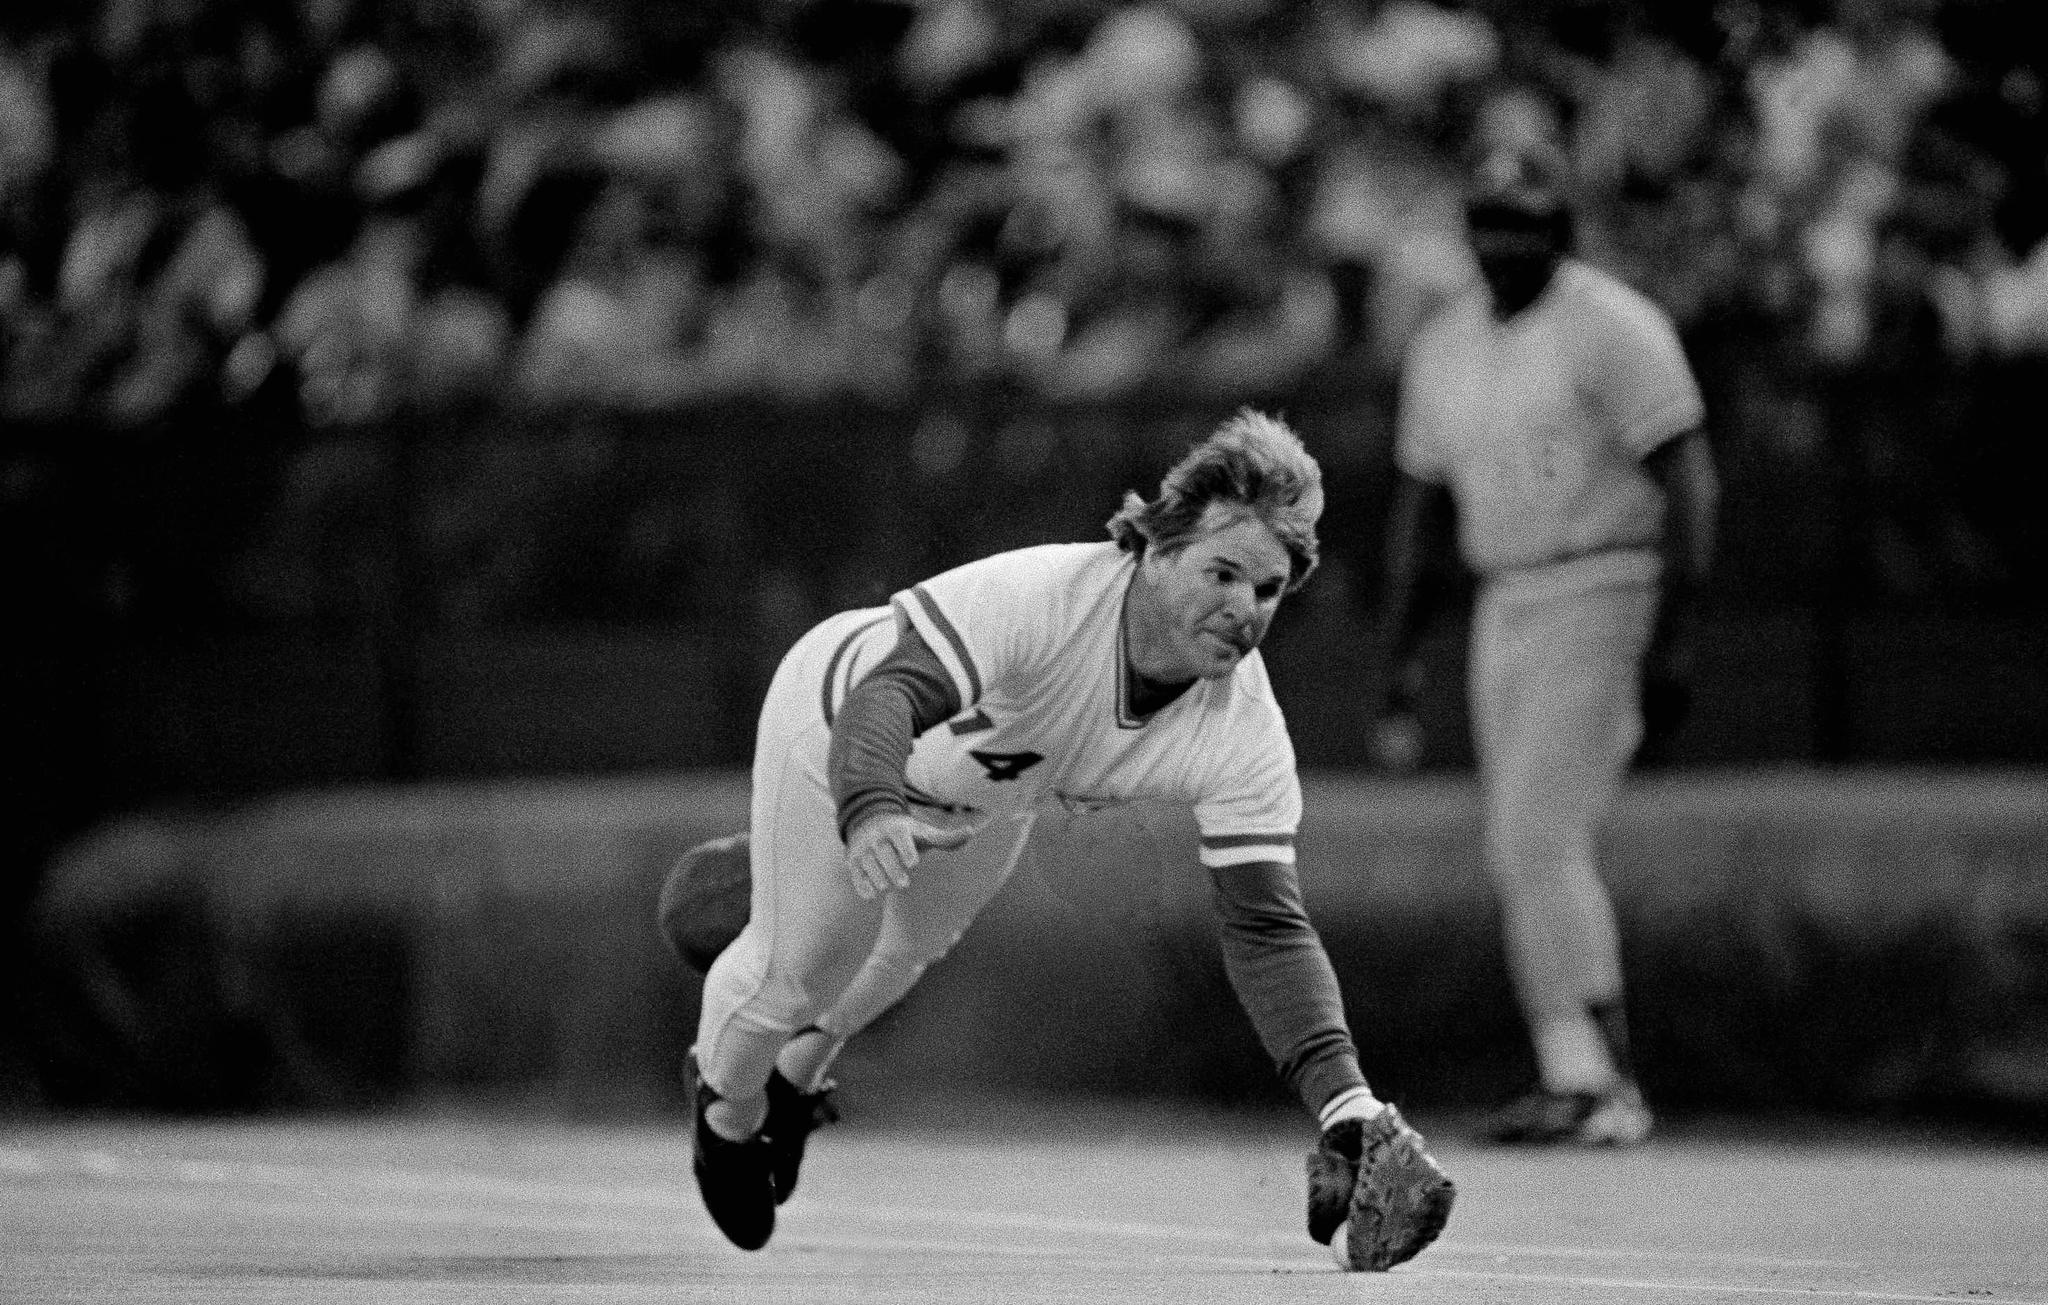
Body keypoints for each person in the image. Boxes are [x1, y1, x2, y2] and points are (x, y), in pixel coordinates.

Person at [663, 409, 1454, 1270]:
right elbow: (884, 699)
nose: (1243, 609)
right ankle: (727, 1115)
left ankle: (795, 1078)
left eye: (1267, 591)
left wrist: (1347, 1105)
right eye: (1222, 572)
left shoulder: (1243, 727)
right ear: (1155, 548)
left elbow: (1267, 927)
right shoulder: (1043, 597)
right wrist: (870, 807)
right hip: (837, 738)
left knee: (902, 955)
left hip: (984, 799)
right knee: (804, 964)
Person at [1370, 123, 1720, 1146]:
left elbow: (1688, 480)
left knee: (1536, 833)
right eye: (1487, 222)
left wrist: (1675, 639)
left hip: (1605, 578)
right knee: (1515, 843)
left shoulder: (1612, 324)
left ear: (1561, 226)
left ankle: (1605, 1081)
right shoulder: (1443, 342)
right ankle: (1576, 1074)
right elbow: (1420, 507)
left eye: (1525, 222)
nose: (1504, 241)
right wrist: (1398, 656)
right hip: (1503, 595)